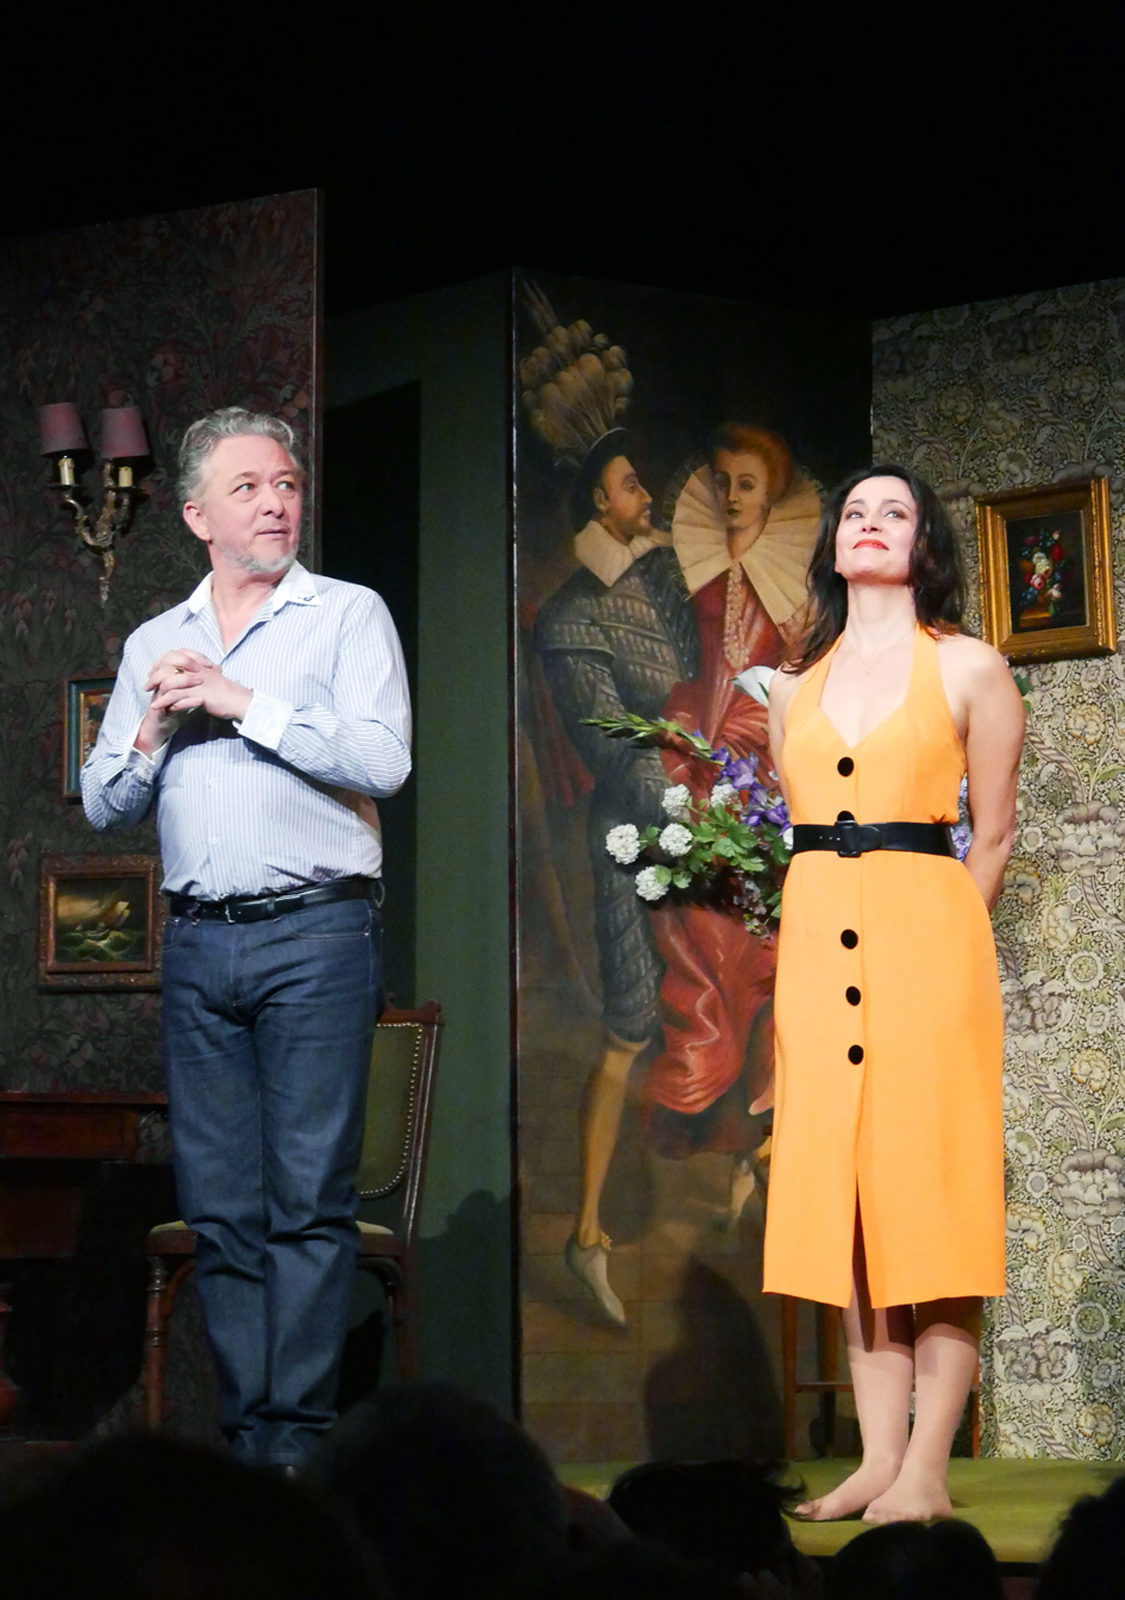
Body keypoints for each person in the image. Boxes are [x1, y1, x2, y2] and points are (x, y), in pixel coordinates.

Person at [81, 407, 411, 1468]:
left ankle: (297, 1449)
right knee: (221, 1210)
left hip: (315, 934)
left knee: (307, 1203)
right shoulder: (153, 641)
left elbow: (384, 761)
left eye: (287, 484)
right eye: (250, 488)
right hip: (198, 947)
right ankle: (244, 1443)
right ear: (197, 516)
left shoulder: (346, 614)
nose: (276, 503)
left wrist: (239, 700)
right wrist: (155, 724)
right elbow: (105, 803)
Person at [762, 465, 1025, 1522]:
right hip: (817, 956)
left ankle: (927, 1469)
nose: (870, 524)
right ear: (833, 543)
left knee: (933, 1199)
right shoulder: (792, 687)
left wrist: (944, 947)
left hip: (927, 951)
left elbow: (992, 834)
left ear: (924, 543)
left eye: (895, 512)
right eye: (855, 513)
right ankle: (876, 1459)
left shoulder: (968, 666)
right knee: (851, 1208)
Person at [533, 428, 698, 1324]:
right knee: (631, 1026)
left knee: (755, 987)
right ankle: (588, 1233)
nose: (647, 496)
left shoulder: (674, 581)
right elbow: (609, 743)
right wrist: (688, 810)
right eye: (632, 484)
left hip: (717, 810)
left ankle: (756, 1182)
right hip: (638, 832)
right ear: (601, 502)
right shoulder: (569, 617)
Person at [643, 426, 818, 1192]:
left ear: (772, 494)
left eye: (746, 483)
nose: (733, 496)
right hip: (699, 735)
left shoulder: (797, 585)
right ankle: (700, 1088)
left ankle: (764, 1110)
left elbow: (795, 671)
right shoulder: (694, 570)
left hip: (762, 749)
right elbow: (694, 659)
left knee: (761, 929)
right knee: (695, 917)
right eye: (722, 481)